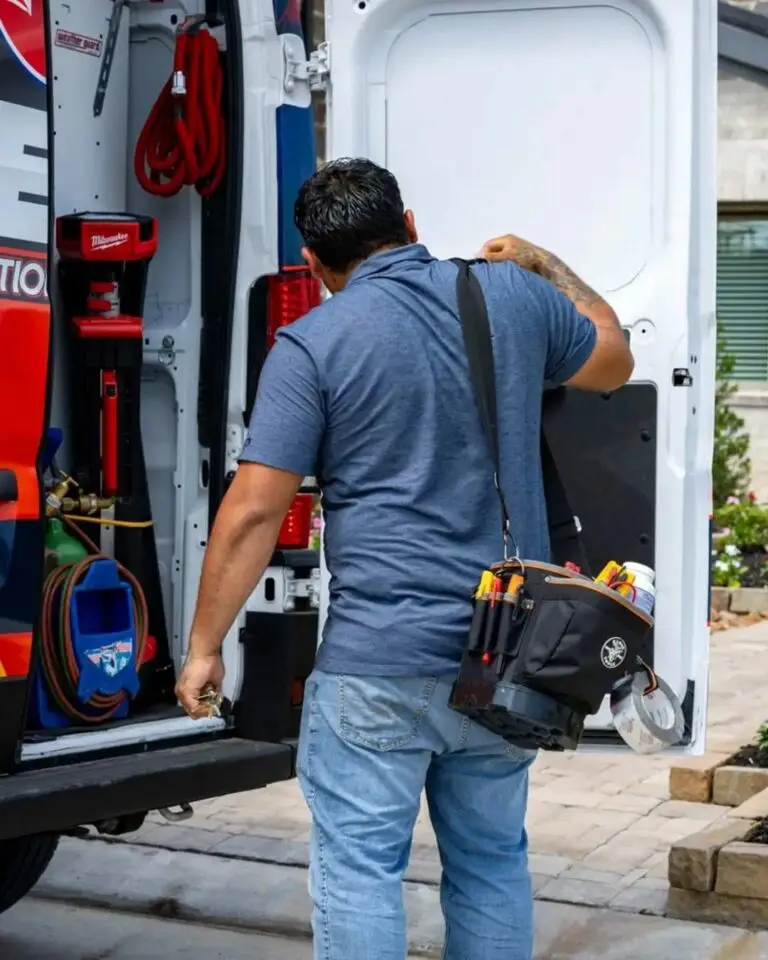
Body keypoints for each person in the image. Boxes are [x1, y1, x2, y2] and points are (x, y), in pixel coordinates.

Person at [176, 158, 634, 959]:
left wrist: (205, 647)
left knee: (360, 873)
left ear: (316, 267)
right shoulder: (515, 297)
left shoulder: (312, 341)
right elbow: (613, 356)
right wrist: (541, 261)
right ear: (413, 226)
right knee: (492, 866)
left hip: (376, 667)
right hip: (506, 661)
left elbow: (253, 511)